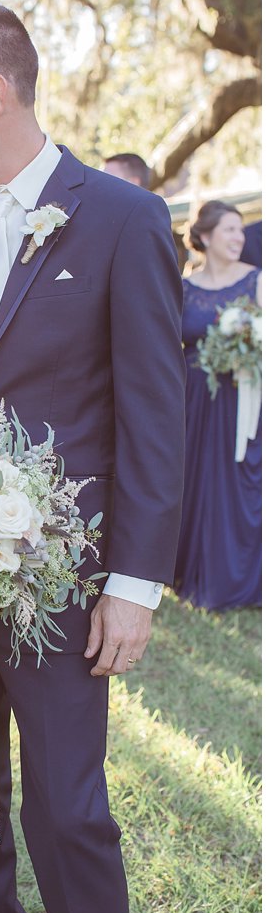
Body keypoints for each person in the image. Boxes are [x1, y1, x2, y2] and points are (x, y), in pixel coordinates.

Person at [0, 1, 185, 913]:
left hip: (66, 573)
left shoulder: (124, 218)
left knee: (67, 806)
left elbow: (157, 408)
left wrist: (136, 581)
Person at [174, 200, 261, 610]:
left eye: (240, 231)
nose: (238, 237)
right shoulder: (184, 285)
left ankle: (235, 583)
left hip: (238, 397)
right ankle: (188, 576)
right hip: (192, 399)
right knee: (193, 481)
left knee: (234, 482)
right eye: (229, 229)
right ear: (205, 235)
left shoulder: (256, 281)